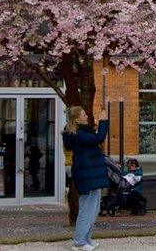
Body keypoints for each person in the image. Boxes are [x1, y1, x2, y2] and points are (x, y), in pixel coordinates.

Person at [63, 105, 109, 251]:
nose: (86, 116)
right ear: (77, 119)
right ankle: (79, 242)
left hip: (90, 173)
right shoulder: (78, 134)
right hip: (86, 173)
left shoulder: (81, 132)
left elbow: (94, 137)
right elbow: (99, 138)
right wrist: (103, 121)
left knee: (93, 208)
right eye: (83, 115)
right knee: (86, 208)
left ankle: (86, 239)